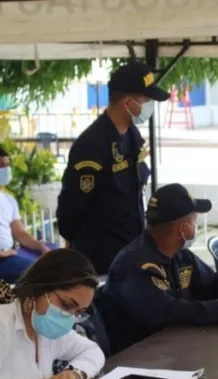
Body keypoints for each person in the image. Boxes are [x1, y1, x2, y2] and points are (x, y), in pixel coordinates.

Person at [97, 184, 218, 355]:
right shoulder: (134, 265)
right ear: (182, 229)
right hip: (138, 356)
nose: (195, 226)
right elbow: (167, 311)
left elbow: (212, 282)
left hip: (175, 346)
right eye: (194, 220)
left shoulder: (179, 255)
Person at [57, 62, 169, 274]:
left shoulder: (132, 136)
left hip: (129, 253)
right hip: (101, 260)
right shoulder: (92, 145)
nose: (150, 106)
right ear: (128, 102)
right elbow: (71, 211)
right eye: (146, 100)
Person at [0, 248, 106, 379]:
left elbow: (93, 351)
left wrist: (74, 373)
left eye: (78, 312)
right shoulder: (3, 325)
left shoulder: (47, 329)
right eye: (66, 304)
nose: (69, 318)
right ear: (39, 288)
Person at [0, 147, 52, 283]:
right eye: (1, 166)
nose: (5, 170)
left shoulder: (9, 200)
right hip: (5, 258)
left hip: (8, 258)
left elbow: (20, 233)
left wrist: (41, 247)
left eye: (7, 165)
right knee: (40, 274)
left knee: (52, 270)